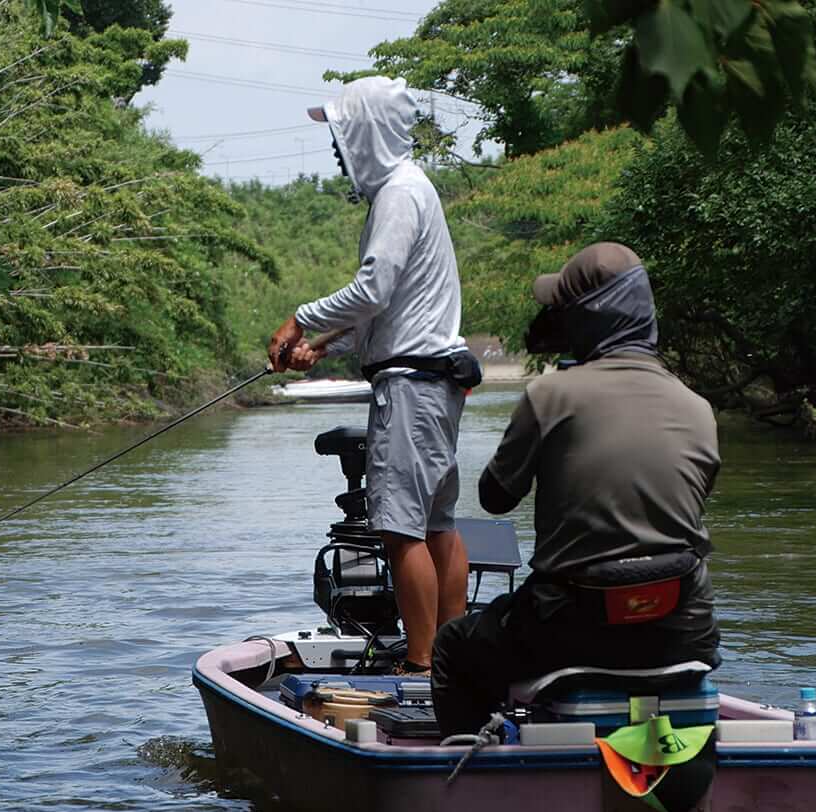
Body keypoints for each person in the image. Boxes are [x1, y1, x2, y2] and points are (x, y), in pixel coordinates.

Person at [431, 242, 722, 736]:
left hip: (569, 631)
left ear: (583, 320)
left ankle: (470, 770)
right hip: (683, 633)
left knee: (453, 646)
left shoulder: (551, 395)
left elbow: (495, 497)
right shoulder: (698, 407)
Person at [267, 76, 477, 675]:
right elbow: (389, 309)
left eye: (340, 133)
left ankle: (420, 665)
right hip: (431, 381)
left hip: (411, 388)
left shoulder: (398, 194)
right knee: (436, 523)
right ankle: (451, 658)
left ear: (366, 132)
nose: (337, 147)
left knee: (399, 529)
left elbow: (372, 288)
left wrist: (300, 320)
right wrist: (325, 349)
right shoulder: (410, 191)